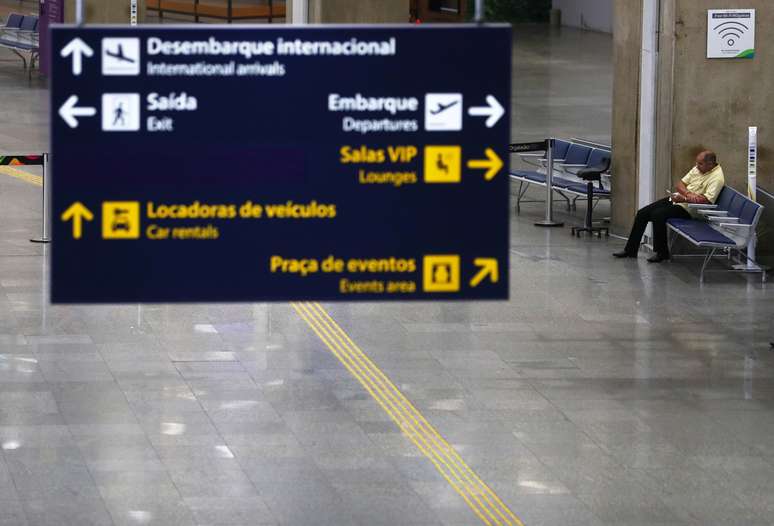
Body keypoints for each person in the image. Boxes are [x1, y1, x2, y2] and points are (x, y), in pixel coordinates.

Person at [613, 150, 725, 263]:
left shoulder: (717, 178)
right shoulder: (699, 169)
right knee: (642, 213)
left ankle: (662, 253)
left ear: (710, 164)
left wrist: (685, 199)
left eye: (700, 164)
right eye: (697, 163)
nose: (697, 166)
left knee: (658, 215)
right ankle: (630, 250)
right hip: (680, 199)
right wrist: (687, 194)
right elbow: (680, 184)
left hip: (690, 209)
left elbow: (706, 200)